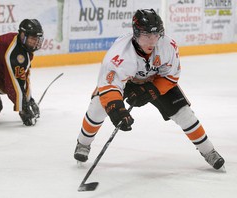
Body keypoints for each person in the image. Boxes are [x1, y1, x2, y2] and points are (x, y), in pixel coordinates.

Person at [74, 9, 225, 170]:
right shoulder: (118, 55)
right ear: (136, 34)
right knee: (98, 106)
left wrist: (151, 90)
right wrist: (116, 108)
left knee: (184, 113)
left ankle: (208, 151)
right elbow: (109, 86)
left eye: (156, 35)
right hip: (127, 82)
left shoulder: (168, 46)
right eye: (147, 36)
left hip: (155, 80)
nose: (152, 41)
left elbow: (171, 76)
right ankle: (83, 143)